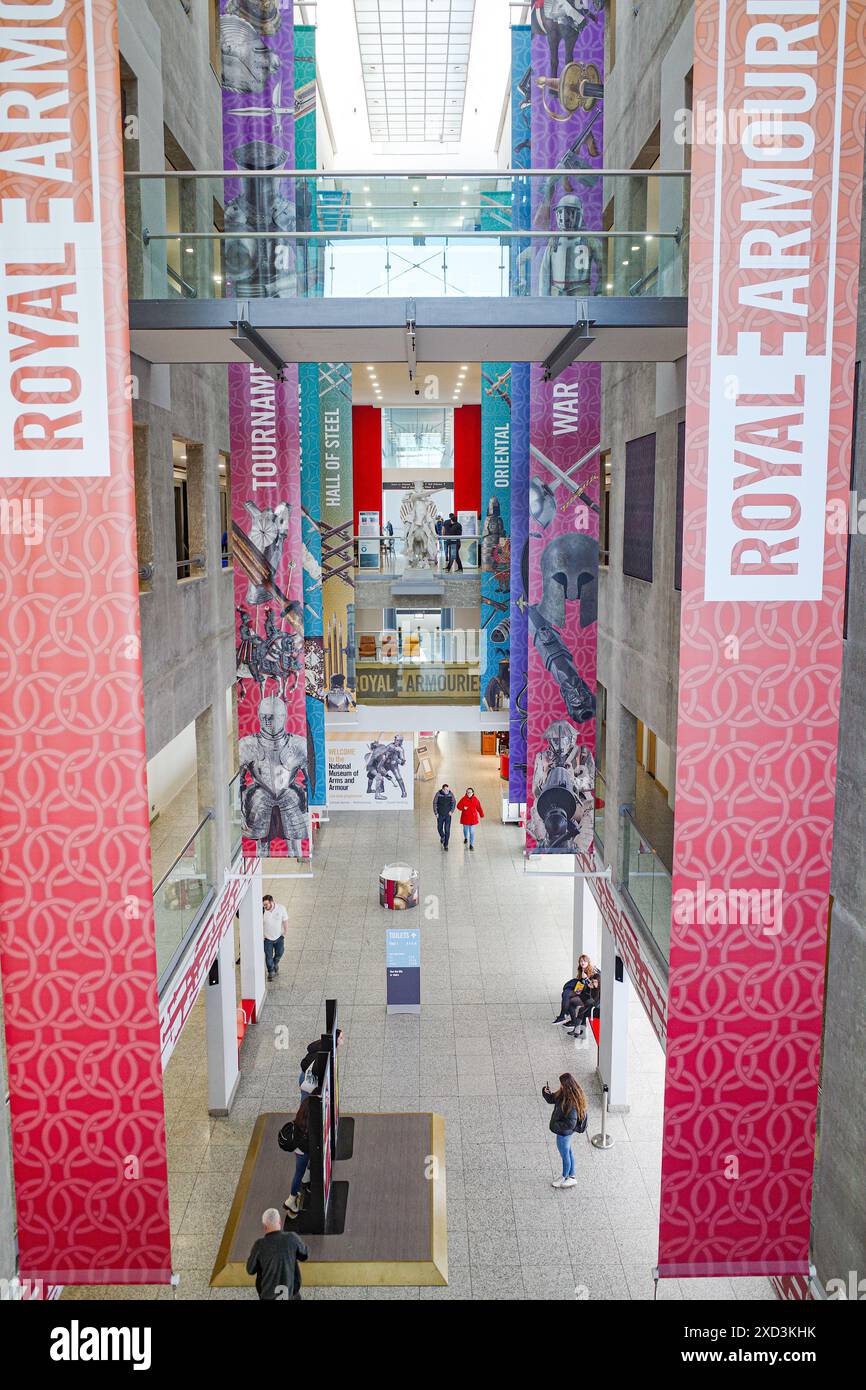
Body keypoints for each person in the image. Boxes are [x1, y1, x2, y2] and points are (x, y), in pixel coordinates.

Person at [246, 1207, 309, 1300]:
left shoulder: (259, 1245)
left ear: (265, 1226)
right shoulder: (292, 1238)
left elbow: (250, 1270)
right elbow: (304, 1255)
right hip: (291, 1296)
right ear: (279, 1222)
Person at [542, 1073, 588, 1189]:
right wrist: (546, 1093)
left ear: (566, 1086)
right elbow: (553, 1099)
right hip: (564, 1133)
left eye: (561, 1084)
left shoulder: (571, 1103)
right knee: (568, 1152)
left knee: (565, 1155)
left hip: (564, 1134)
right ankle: (571, 1176)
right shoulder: (565, 1093)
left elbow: (570, 1124)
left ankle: (564, 1177)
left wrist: (556, 1125)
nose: (560, 1086)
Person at [283, 1096, 311, 1218]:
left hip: (298, 1146)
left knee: (300, 1171)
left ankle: (306, 1177)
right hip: (302, 1149)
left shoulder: (304, 1108)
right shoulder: (309, 1122)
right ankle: (291, 1199)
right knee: (298, 1173)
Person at [552, 953, 595, 1024]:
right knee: (565, 993)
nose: (583, 963)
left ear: (588, 962)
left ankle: (563, 1016)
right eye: (581, 961)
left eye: (584, 961)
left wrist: (586, 978)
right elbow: (581, 984)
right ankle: (567, 1017)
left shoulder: (591, 972)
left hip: (587, 996)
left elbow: (593, 986)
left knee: (566, 995)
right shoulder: (581, 970)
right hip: (580, 991)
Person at [568, 965, 600, 1037]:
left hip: (596, 1009)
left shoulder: (599, 989)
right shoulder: (590, 983)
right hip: (588, 1000)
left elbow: (595, 1001)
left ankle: (578, 1030)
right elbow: (578, 990)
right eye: (593, 981)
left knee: (582, 1011)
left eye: (595, 982)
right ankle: (578, 1030)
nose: (594, 983)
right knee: (578, 1007)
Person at [262, 893, 288, 981]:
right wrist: (261, 936)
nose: (264, 906)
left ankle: (275, 963)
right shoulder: (262, 911)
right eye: (263, 904)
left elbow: (285, 920)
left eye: (266, 904)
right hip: (267, 938)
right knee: (268, 956)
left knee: (280, 952)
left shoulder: (281, 908)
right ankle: (271, 971)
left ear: (272, 902)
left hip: (279, 937)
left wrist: (285, 932)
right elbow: (258, 924)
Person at [433, 783, 456, 850]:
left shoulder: (450, 794)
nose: (447, 791)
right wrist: (436, 813)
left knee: (447, 830)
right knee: (439, 828)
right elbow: (434, 803)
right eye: (446, 790)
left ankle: (446, 845)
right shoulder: (438, 794)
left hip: (448, 815)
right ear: (442, 789)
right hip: (440, 815)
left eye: (448, 789)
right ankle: (442, 836)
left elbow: (454, 802)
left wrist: (451, 811)